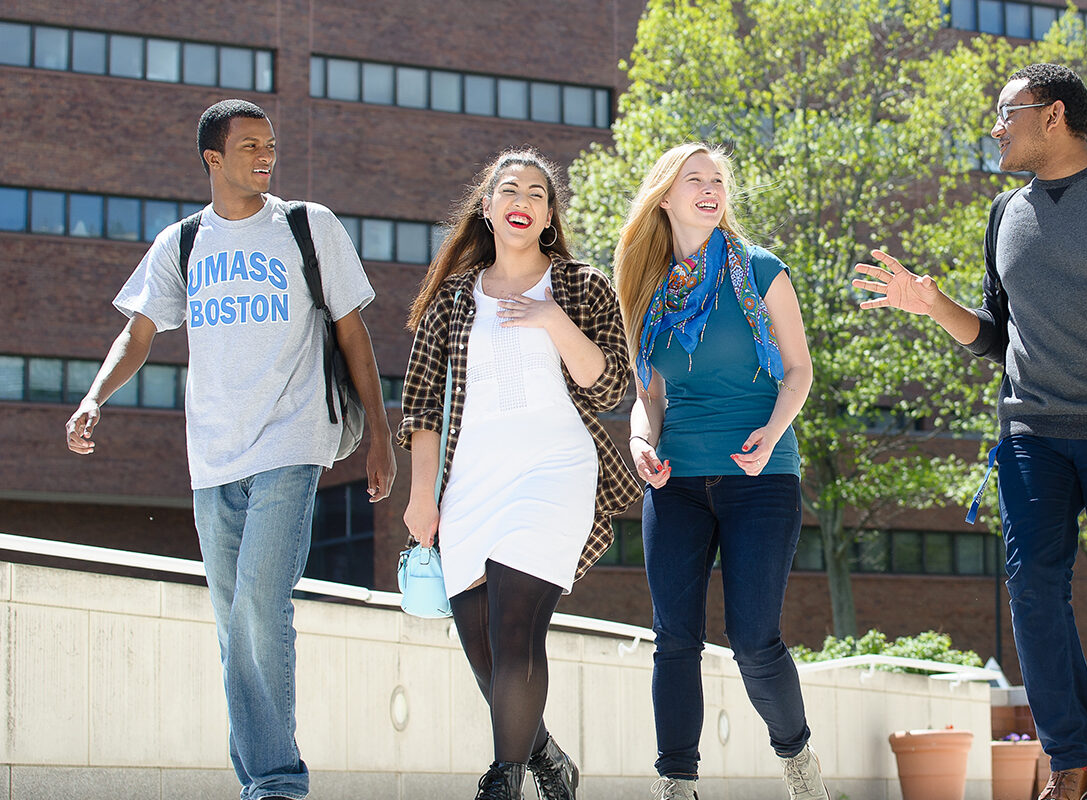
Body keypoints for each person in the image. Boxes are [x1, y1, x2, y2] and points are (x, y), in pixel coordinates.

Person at [855, 64, 1087, 800]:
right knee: (1032, 589)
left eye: (1004, 112)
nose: (994, 128)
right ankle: (1069, 759)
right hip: (1030, 434)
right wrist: (934, 306)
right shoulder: (1003, 213)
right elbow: (996, 335)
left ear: (1053, 116)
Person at [64, 99, 396, 800]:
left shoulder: (309, 226)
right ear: (213, 159)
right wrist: (94, 396)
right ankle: (259, 779)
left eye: (269, 143)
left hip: (292, 442)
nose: (265, 154)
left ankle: (277, 781)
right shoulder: (182, 243)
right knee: (230, 625)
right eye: (249, 145)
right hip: (212, 458)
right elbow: (140, 334)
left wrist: (380, 437)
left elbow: (353, 333)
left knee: (257, 607)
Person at [397, 149, 640, 800]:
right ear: (489, 207)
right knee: (484, 653)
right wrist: (423, 496)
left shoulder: (582, 287)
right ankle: (548, 758)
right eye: (509, 189)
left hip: (555, 471)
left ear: (548, 215)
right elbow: (420, 402)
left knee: (516, 628)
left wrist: (552, 319)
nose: (523, 198)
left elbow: (613, 385)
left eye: (537, 191)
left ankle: (502, 782)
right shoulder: (454, 295)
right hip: (472, 477)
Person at [614, 143, 824, 800]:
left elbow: (799, 371)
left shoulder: (760, 271)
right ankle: (676, 782)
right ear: (665, 197)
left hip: (760, 478)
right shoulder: (646, 289)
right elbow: (648, 398)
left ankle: (796, 757)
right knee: (674, 636)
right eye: (693, 180)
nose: (710, 190)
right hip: (676, 483)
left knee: (753, 638)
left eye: (717, 181)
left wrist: (773, 433)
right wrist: (639, 441)